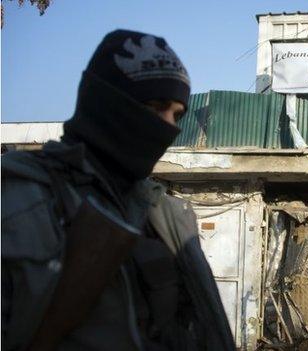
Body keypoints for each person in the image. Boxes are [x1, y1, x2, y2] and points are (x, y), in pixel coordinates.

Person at [1, 30, 235, 351]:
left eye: (177, 114)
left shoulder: (165, 214)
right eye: (156, 106)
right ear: (108, 104)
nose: (169, 126)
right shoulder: (20, 197)